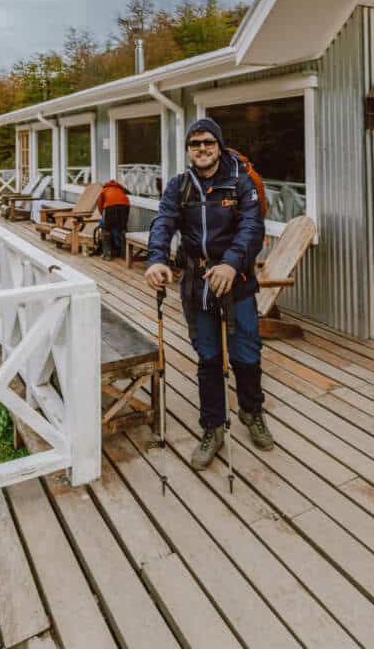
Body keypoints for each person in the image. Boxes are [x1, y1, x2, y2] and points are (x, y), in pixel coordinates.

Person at [146, 117, 274, 470]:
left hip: (237, 279)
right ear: (189, 150)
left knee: (246, 351)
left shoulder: (241, 184)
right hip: (196, 282)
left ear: (219, 146)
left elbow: (252, 228)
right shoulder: (179, 186)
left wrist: (232, 263)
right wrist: (156, 259)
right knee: (208, 356)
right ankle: (213, 426)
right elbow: (163, 223)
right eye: (195, 143)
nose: (201, 149)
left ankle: (252, 411)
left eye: (208, 143)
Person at [97, 179, 130, 259]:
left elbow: (100, 204)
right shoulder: (119, 189)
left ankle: (107, 254)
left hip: (110, 207)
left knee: (107, 229)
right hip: (125, 206)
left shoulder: (104, 190)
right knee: (122, 228)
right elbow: (126, 196)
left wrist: (102, 215)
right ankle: (124, 254)